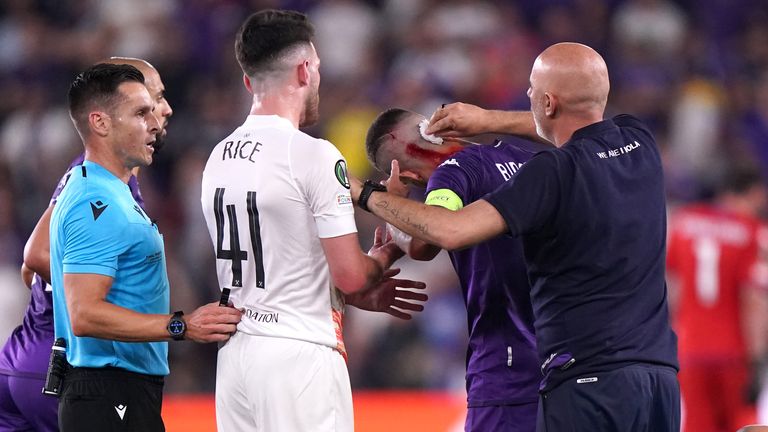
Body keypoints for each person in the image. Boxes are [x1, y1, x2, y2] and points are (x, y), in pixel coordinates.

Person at [350, 42, 681, 431]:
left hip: (533, 373)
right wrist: (489, 119)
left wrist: (371, 199)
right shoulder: (631, 141)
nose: (526, 96)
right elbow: (578, 121)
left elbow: (435, 234)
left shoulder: (482, 172)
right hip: (655, 374)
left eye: (532, 91)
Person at [200, 10, 426, 432]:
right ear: (306, 70)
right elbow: (353, 276)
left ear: (249, 81)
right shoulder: (314, 155)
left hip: (236, 359)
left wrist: (341, 293)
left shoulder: (217, 158)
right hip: (300, 355)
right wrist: (388, 248)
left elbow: (279, 255)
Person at [49, 63, 243, 432]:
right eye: (141, 113)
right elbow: (84, 314)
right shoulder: (97, 204)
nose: (154, 123)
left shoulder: (103, 189)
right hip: (108, 392)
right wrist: (181, 326)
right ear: (100, 123)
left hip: (119, 392)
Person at [0, 57, 172, 432]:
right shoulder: (95, 180)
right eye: (152, 100)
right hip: (61, 361)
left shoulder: (112, 179)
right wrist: (93, 292)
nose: (165, 110)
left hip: (30, 358)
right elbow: (35, 256)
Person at [365, 107, 542, 431]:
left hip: (506, 367)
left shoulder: (452, 172)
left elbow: (425, 242)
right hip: (564, 358)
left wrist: (393, 204)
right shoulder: (526, 157)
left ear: (410, 176)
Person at [666, 165, 768, 432]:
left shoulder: (684, 222)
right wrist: (757, 358)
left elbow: (672, 288)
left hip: (689, 349)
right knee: (744, 424)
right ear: (752, 193)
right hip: (734, 352)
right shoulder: (752, 230)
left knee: (698, 425)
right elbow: (754, 300)